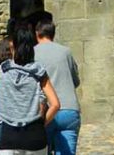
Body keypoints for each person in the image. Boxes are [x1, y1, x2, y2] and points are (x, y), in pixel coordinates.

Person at [0, 26, 60, 155]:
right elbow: (55, 104)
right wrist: (41, 124)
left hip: (9, 137)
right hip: (35, 136)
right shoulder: (39, 73)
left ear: (12, 45)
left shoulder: (0, 73)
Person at [33, 21, 80, 155]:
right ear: (53, 34)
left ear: (37, 34)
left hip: (45, 110)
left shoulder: (33, 53)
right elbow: (75, 81)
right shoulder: (66, 52)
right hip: (69, 108)